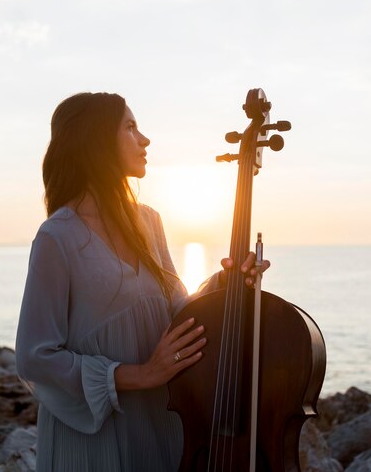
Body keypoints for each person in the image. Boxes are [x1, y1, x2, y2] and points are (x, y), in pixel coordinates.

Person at [15, 92, 269, 471]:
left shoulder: (149, 222)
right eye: (130, 127)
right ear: (95, 140)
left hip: (160, 419)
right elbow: (35, 356)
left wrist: (228, 283)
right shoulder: (57, 237)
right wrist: (139, 375)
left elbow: (176, 309)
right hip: (94, 438)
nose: (145, 139)